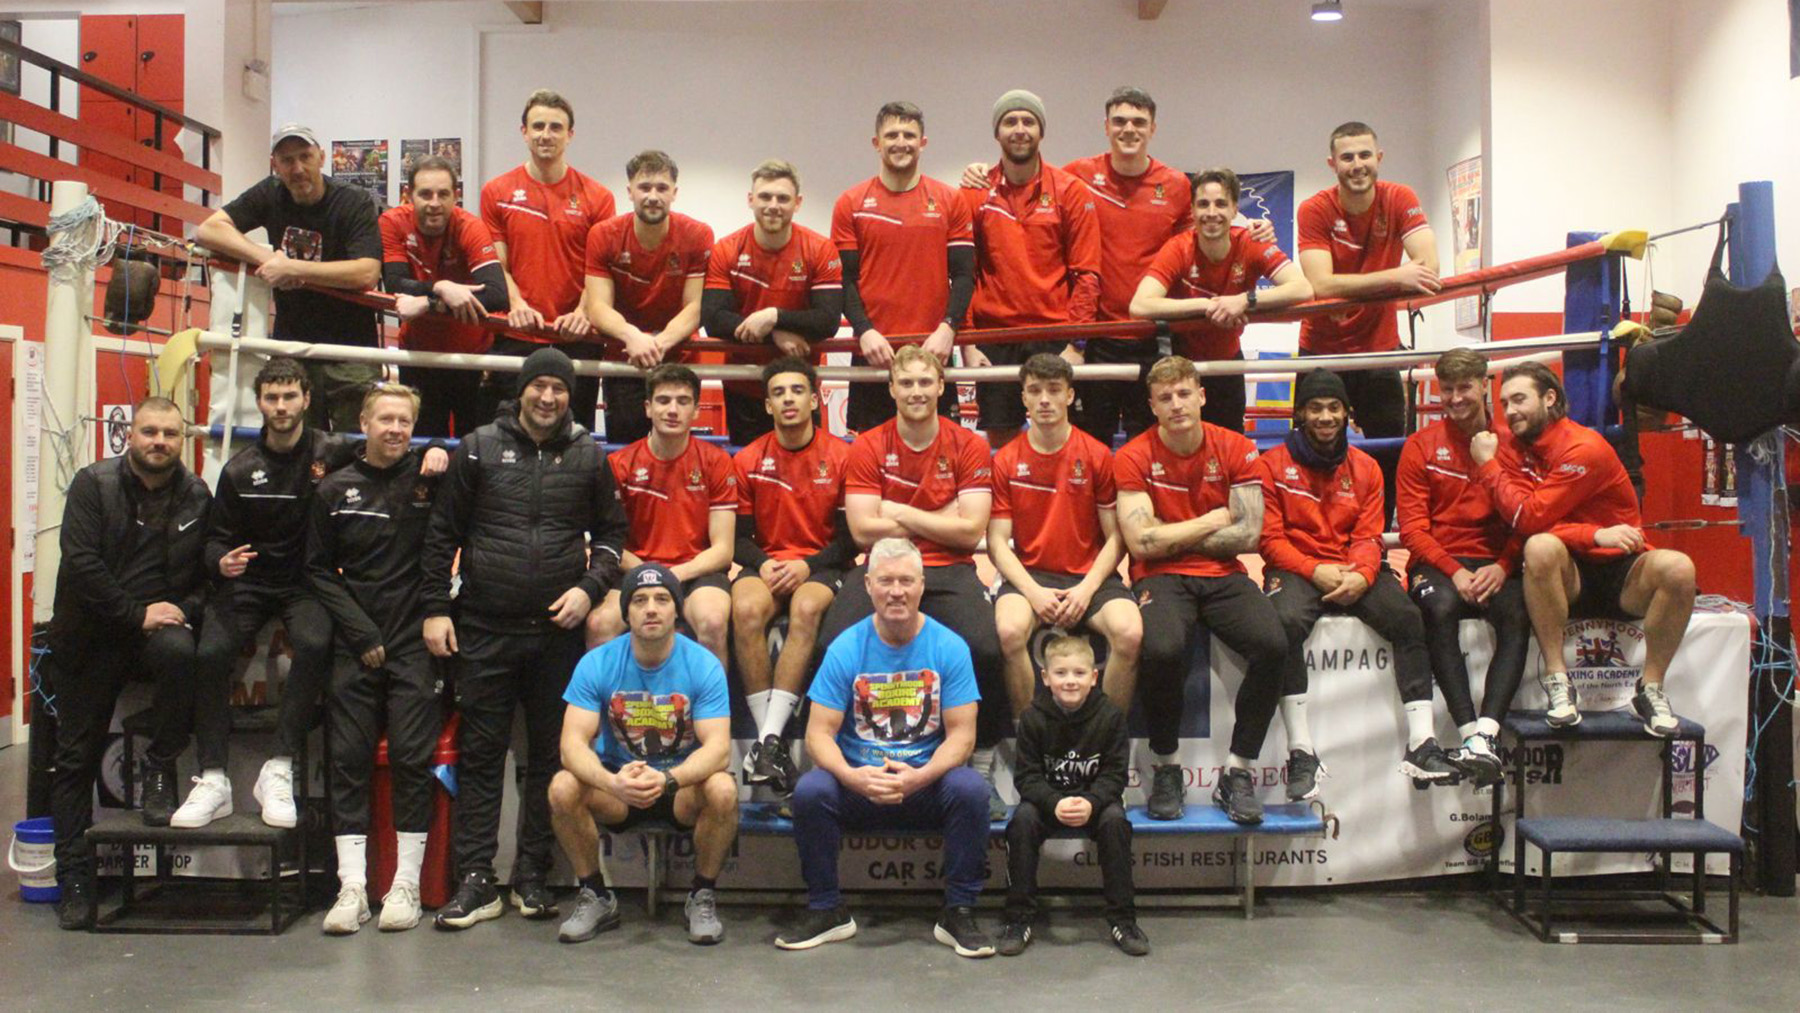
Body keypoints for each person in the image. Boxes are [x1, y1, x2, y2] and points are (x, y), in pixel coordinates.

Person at [422, 347, 629, 930]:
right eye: (538, 386)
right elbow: (441, 535)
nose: (548, 397)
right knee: (483, 757)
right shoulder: (480, 446)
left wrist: (590, 588)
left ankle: (534, 876)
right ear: (522, 391)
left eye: (559, 389)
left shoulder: (588, 455)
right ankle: (477, 880)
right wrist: (436, 609)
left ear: (571, 396)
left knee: (547, 759)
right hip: (483, 629)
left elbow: (613, 535)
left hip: (555, 636)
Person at [173, 358, 385, 830]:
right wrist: (220, 562)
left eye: (290, 396)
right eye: (272, 397)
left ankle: (280, 766)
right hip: (248, 583)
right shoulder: (239, 470)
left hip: (307, 583)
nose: (281, 406)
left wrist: (433, 451)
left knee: (313, 643)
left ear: (307, 400)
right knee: (209, 651)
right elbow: (214, 540)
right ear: (259, 403)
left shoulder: (334, 451)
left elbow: (389, 449)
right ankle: (212, 777)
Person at [775, 538, 994, 958]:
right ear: (869, 586)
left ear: (922, 585)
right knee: (811, 791)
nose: (897, 591)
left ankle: (959, 910)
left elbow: (963, 736)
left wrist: (922, 776)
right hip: (861, 784)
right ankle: (826, 909)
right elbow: (819, 734)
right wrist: (852, 777)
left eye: (907, 581)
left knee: (970, 788)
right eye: (887, 581)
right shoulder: (844, 648)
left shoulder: (949, 647)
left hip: (924, 783)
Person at [813, 346, 1006, 816]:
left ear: (942, 387)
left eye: (926, 382)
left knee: (985, 645)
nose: (916, 392)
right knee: (829, 642)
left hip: (949, 569)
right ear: (891, 389)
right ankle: (823, 768)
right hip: (880, 569)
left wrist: (896, 511)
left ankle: (982, 765)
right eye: (907, 383)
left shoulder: (970, 445)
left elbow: (971, 529)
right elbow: (862, 529)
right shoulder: (869, 445)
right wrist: (938, 516)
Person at [47, 398, 209, 930]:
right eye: (149, 431)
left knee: (184, 653)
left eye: (169, 433)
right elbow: (81, 562)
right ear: (129, 435)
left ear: (181, 440)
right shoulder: (93, 485)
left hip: (154, 632)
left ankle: (161, 766)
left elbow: (206, 576)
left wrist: (182, 610)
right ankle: (73, 876)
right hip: (92, 634)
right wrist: (134, 613)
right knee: (75, 759)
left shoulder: (196, 495)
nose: (158, 441)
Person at [1258, 368, 1460, 792]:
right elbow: (1270, 539)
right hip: (1298, 568)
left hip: (1354, 567)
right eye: (1315, 408)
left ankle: (1422, 743)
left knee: (1407, 617)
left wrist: (1363, 574)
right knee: (1283, 622)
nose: (1326, 416)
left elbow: (1370, 534)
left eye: (1334, 408)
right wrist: (1314, 569)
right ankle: (1301, 750)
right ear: (1300, 414)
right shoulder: (1270, 465)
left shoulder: (1367, 467)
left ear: (1348, 414)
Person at [1470, 361, 1697, 736]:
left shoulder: (1583, 448)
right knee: (1541, 546)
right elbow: (1525, 521)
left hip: (1619, 572)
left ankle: (1651, 688)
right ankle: (1558, 681)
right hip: (1564, 574)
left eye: (1520, 399)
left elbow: (1527, 515)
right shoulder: (1508, 444)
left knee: (1679, 567)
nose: (1510, 411)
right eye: (1505, 402)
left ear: (1550, 398)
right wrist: (1591, 534)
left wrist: (1489, 467)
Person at [1114, 356, 1288, 822]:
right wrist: (1210, 520)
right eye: (1165, 398)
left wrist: (1171, 532)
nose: (1176, 405)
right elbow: (1140, 541)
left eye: (1184, 393)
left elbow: (1249, 534)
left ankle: (1238, 771)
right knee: (1164, 648)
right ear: (1151, 405)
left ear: (1202, 396)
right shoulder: (1133, 455)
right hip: (1159, 577)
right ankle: (1167, 766)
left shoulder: (1234, 446)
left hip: (1223, 573)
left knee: (1274, 644)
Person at [303, 384, 447, 935]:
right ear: (364, 421)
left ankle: (405, 885)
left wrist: (440, 451)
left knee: (412, 757)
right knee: (347, 759)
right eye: (385, 418)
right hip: (356, 640)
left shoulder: (431, 480)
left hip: (415, 640)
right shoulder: (334, 489)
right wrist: (360, 630)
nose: (395, 429)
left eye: (405, 421)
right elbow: (316, 570)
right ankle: (353, 888)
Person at [550, 563, 739, 945]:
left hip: (679, 790)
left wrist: (670, 779)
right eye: (639, 600)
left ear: (676, 609)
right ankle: (596, 895)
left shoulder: (703, 664)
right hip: (619, 788)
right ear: (626, 612)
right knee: (562, 786)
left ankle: (701, 894)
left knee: (722, 789)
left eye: (661, 599)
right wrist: (611, 782)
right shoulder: (597, 663)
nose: (651, 608)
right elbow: (570, 746)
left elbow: (719, 750)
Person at [1396, 348, 1529, 782]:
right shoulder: (1420, 446)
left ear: (1484, 385)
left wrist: (1505, 566)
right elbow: (1413, 530)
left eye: (1464, 388)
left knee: (1517, 612)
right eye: (1446, 389)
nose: (1455, 398)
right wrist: (1453, 571)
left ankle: (1485, 735)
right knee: (1439, 609)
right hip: (1439, 561)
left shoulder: (1511, 446)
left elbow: (1528, 517)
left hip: (1494, 561)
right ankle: (1468, 729)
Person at [1295, 122, 1440, 518]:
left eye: (1364, 155)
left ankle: (1379, 545)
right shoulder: (1315, 208)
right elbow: (1321, 283)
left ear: (1378, 157)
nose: (1357, 165)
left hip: (1379, 349)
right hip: (1322, 351)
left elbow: (1428, 266)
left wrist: (1355, 287)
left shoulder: (1399, 197)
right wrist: (1395, 277)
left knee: (1390, 451)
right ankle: (1311, 540)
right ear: (1332, 163)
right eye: (1347, 157)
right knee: (1310, 449)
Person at [196, 124, 382, 432]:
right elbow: (209, 229)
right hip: (292, 345)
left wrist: (294, 268)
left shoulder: (352, 201)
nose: (297, 168)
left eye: (305, 157)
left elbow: (366, 272)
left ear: (321, 158)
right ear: (275, 165)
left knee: (356, 444)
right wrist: (267, 259)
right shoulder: (271, 192)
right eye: (287, 160)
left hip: (351, 349)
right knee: (295, 442)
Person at [989, 353, 1140, 722]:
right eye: (1035, 391)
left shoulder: (1097, 455)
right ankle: (1029, 734)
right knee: (1009, 632)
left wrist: (1087, 589)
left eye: (1054, 390)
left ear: (1070, 396)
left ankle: (1107, 735)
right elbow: (996, 542)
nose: (1044, 399)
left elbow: (1115, 538)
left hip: (1090, 576)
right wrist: (1033, 592)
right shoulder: (1006, 460)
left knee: (1130, 633)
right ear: (1023, 397)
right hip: (1032, 576)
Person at [731, 357, 856, 793]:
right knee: (744, 609)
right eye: (779, 393)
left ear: (814, 398)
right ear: (767, 406)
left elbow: (851, 540)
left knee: (805, 608)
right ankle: (771, 746)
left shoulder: (843, 456)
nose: (788, 399)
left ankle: (769, 737)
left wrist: (807, 565)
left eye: (797, 391)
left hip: (822, 565)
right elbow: (737, 539)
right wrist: (764, 563)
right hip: (768, 564)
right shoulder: (748, 458)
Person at [960, 89, 1102, 450]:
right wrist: (969, 342)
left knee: (1061, 441)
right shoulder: (974, 195)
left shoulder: (1070, 191)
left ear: (1041, 131)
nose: (1019, 129)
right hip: (995, 339)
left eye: (1028, 121)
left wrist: (1077, 343)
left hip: (1055, 335)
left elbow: (1087, 274)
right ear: (997, 132)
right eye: (1010, 121)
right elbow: (963, 275)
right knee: (1001, 442)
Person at [1131, 167, 1314, 432]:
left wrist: (1244, 299)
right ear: (1192, 211)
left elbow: (1302, 288)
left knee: (1230, 447)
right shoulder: (1179, 247)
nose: (1212, 213)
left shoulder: (1251, 242)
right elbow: (1140, 305)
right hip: (1182, 368)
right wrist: (1208, 305)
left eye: (1220, 204)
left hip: (1228, 363)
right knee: (1181, 447)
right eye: (1203, 204)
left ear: (1234, 209)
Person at [998, 634, 1144, 957]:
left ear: (1094, 677)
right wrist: (1055, 802)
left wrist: (1091, 802)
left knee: (1115, 821)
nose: (1070, 681)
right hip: (1049, 801)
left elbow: (1115, 775)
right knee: (1022, 820)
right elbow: (1027, 777)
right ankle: (1018, 919)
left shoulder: (1111, 716)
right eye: (1061, 673)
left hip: (1096, 802)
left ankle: (1123, 919)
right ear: (1046, 678)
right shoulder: (1033, 717)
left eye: (1079, 673)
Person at [832, 101, 973, 432]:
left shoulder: (950, 200)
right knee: (869, 455)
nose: (901, 142)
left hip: (932, 351)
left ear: (923, 143)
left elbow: (965, 275)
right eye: (891, 134)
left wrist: (948, 328)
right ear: (876, 143)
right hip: (872, 352)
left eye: (909, 135)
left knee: (940, 453)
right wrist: (864, 330)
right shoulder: (850, 203)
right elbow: (844, 280)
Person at [480, 89, 617, 429]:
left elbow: (599, 270)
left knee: (572, 433)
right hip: (516, 335)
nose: (546, 135)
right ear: (523, 131)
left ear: (570, 135)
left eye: (555, 127)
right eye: (538, 126)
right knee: (510, 434)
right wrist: (517, 304)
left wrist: (583, 312)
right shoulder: (496, 192)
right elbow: (498, 265)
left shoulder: (598, 197)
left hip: (577, 337)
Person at [585, 364, 737, 669]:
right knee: (599, 625)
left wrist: (673, 575)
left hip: (696, 572)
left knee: (713, 621)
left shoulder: (716, 462)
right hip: (633, 568)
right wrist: (646, 573)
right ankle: (598, 715)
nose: (672, 410)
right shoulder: (619, 464)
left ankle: (715, 713)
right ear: (647, 408)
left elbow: (723, 551)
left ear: (695, 410)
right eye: (664, 400)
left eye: (683, 402)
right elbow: (606, 540)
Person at [701, 159, 844, 446]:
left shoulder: (819, 248)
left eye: (783, 198)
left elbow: (827, 320)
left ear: (798, 202)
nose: (773, 205)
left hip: (799, 386)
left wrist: (774, 315)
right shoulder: (727, 249)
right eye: (765, 196)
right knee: (748, 472)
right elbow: (713, 319)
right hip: (744, 386)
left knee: (803, 470)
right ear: (751, 200)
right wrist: (774, 329)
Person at [581, 149, 713, 444]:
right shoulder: (603, 235)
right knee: (626, 452)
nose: (653, 196)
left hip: (678, 359)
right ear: (630, 191)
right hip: (625, 359)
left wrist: (658, 343)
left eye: (662, 188)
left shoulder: (697, 234)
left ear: (674, 193)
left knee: (675, 451)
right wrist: (632, 336)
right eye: (644, 187)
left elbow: (696, 306)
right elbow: (597, 306)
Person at [381, 155, 509, 437]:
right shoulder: (393, 222)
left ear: (457, 196)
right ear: (407, 195)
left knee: (473, 451)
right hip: (419, 356)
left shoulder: (469, 227)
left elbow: (498, 295)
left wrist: (429, 303)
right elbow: (394, 283)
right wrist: (440, 288)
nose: (434, 203)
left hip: (472, 359)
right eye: (425, 194)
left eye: (443, 194)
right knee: (423, 449)